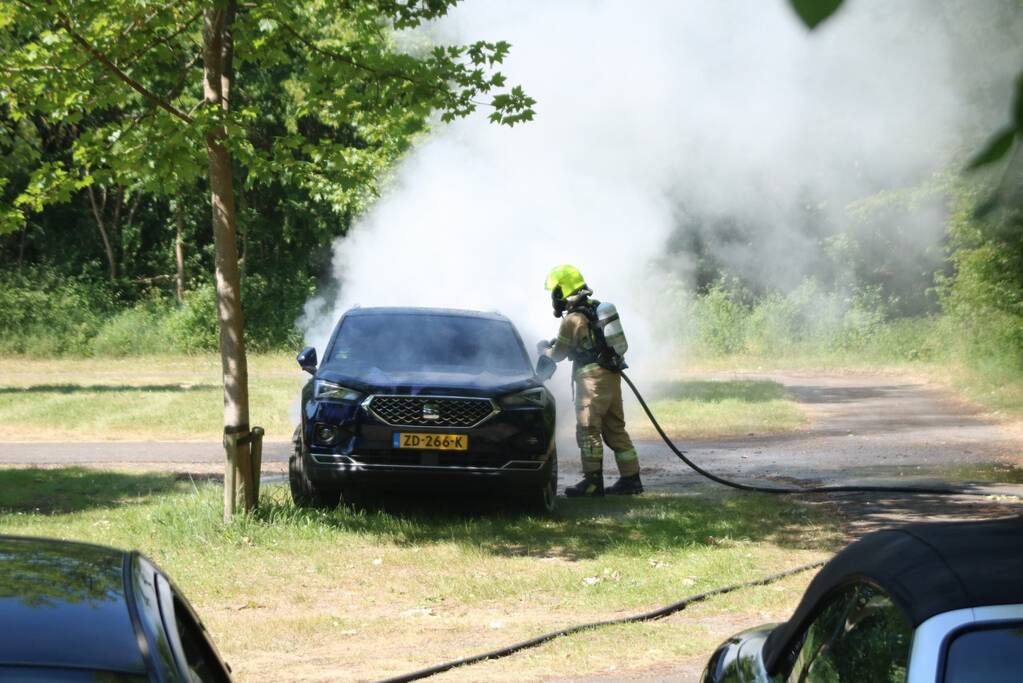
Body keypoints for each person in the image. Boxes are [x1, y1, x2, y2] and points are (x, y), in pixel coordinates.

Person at [538, 264, 642, 496]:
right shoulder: (595, 309)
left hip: (592, 380)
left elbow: (558, 354)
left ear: (561, 292)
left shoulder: (572, 319)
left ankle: (593, 484)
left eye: (554, 292)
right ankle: (631, 480)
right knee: (615, 428)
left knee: (588, 429)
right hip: (612, 377)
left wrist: (543, 350)